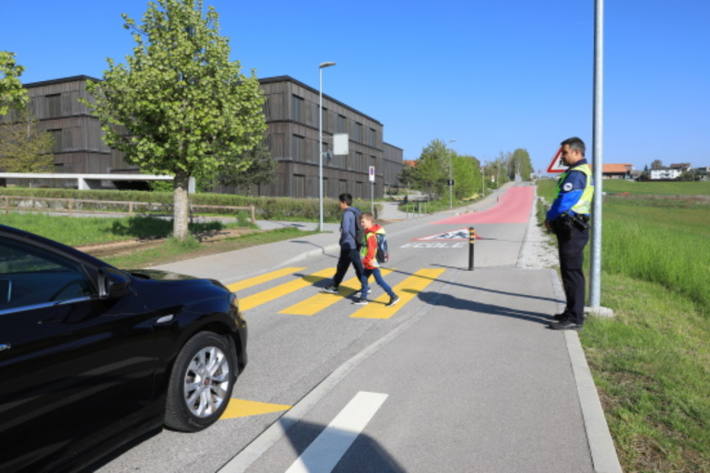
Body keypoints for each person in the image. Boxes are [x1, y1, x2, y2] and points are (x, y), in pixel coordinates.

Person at [545, 137, 594, 330]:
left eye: (565, 153)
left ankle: (575, 318)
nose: (562, 157)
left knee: (572, 273)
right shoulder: (576, 172)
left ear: (576, 152)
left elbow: (565, 201)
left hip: (573, 229)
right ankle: (571, 311)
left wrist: (549, 217)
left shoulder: (577, 174)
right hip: (572, 228)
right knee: (569, 272)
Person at [323, 193, 367, 296]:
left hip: (348, 244)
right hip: (355, 243)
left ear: (344, 202)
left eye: (340, 202)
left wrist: (341, 240)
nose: (339, 204)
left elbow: (346, 230)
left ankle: (365, 286)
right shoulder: (355, 211)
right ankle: (335, 285)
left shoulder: (347, 214)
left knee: (354, 266)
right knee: (344, 266)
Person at [356, 213, 400, 306]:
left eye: (363, 222)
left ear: (369, 221)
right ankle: (363, 298)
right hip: (370, 261)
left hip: (371, 261)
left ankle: (393, 296)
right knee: (364, 278)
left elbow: (372, 248)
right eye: (360, 222)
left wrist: (367, 259)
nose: (361, 224)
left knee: (379, 281)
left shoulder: (370, 234)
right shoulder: (370, 231)